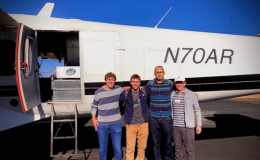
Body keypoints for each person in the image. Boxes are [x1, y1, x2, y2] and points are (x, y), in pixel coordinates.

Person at [145, 66, 174, 160]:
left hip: (167, 117)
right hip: (153, 118)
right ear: (154, 74)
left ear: (164, 73)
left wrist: (190, 93)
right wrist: (129, 88)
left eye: (161, 72)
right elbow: (141, 91)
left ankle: (168, 158)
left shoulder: (170, 83)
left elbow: (179, 90)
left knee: (168, 143)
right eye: (157, 72)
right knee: (155, 143)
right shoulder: (150, 84)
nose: (159, 74)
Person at [91, 72, 123, 160]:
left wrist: (137, 87)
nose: (110, 81)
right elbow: (94, 106)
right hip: (102, 125)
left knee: (117, 148)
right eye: (108, 79)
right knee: (102, 148)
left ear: (115, 81)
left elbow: (126, 89)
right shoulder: (98, 92)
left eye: (112, 79)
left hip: (116, 123)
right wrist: (94, 120)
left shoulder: (118, 89)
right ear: (105, 80)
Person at [171, 76, 202, 160]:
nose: (179, 84)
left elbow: (197, 110)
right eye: (177, 83)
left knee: (190, 150)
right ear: (175, 84)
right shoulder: (172, 94)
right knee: (177, 150)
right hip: (175, 127)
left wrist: (198, 125)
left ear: (184, 83)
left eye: (181, 82)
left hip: (188, 127)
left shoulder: (191, 94)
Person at [120, 74, 149, 160]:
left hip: (143, 123)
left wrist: (143, 87)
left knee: (142, 147)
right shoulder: (125, 93)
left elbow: (151, 85)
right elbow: (117, 95)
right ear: (130, 82)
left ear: (140, 82)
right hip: (131, 124)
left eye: (137, 82)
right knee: (130, 147)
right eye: (133, 82)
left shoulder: (144, 91)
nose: (135, 83)